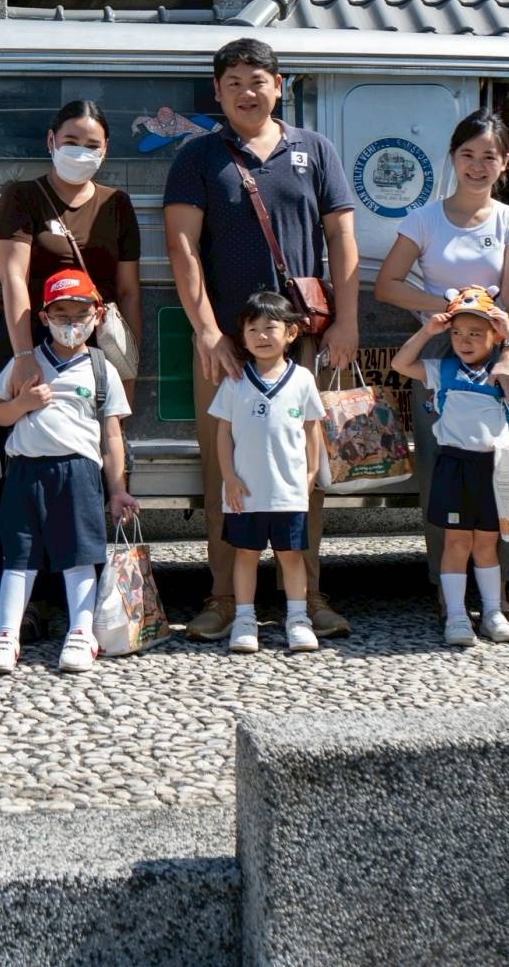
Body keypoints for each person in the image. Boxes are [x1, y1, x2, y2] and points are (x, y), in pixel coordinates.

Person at [164, 36, 358, 644]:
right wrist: (208, 332)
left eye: (258, 80)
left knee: (308, 466)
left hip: (304, 339)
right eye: (233, 83)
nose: (247, 92)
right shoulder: (198, 156)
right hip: (229, 344)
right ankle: (224, 597)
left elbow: (343, 244)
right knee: (226, 469)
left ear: (280, 85)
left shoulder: (315, 150)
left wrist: (349, 322)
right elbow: (183, 249)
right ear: (217, 93)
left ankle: (309, 595)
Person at [375, 108, 509, 631]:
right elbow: (388, 285)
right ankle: (449, 593)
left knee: (506, 472)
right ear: (452, 158)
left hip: (497, 358)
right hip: (441, 356)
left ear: (504, 164)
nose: (477, 165)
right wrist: (441, 306)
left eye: (490, 156)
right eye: (468, 155)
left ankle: (498, 591)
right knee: (443, 475)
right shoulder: (423, 219)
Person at [0, 269, 137, 674]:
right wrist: (23, 403)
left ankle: (82, 633)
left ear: (97, 315)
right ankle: (6, 634)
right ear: (44, 317)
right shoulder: (26, 362)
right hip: (25, 472)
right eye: (61, 314)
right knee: (18, 557)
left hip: (78, 473)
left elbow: (112, 437)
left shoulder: (102, 369)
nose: (71, 324)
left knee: (79, 556)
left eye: (80, 314)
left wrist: (117, 489)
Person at [389, 286, 509, 648]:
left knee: (487, 545)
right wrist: (426, 332)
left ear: (494, 337)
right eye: (458, 332)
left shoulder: (507, 373)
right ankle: (458, 615)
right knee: (456, 543)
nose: (465, 340)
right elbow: (401, 364)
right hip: (454, 466)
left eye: (477, 333)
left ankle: (492, 612)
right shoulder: (442, 369)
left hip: (495, 468)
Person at [0, 100, 143, 405]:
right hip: (29, 336)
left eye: (91, 144)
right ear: (51, 141)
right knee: (22, 438)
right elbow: (14, 279)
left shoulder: (118, 204)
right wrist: (23, 355)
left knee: (95, 442)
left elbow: (128, 292)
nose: (81, 151)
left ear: (105, 149)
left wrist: (128, 367)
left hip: (94, 347)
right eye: (71, 142)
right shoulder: (21, 196)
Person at [209, 291, 328, 655]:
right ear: (241, 336)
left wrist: (310, 474)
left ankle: (297, 618)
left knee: (290, 556)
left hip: (288, 490)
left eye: (270, 328)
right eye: (253, 328)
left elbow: (311, 430)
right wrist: (228, 476)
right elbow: (223, 433)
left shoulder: (303, 379)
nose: (262, 335)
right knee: (245, 554)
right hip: (244, 491)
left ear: (291, 333)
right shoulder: (234, 380)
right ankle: (245, 619)